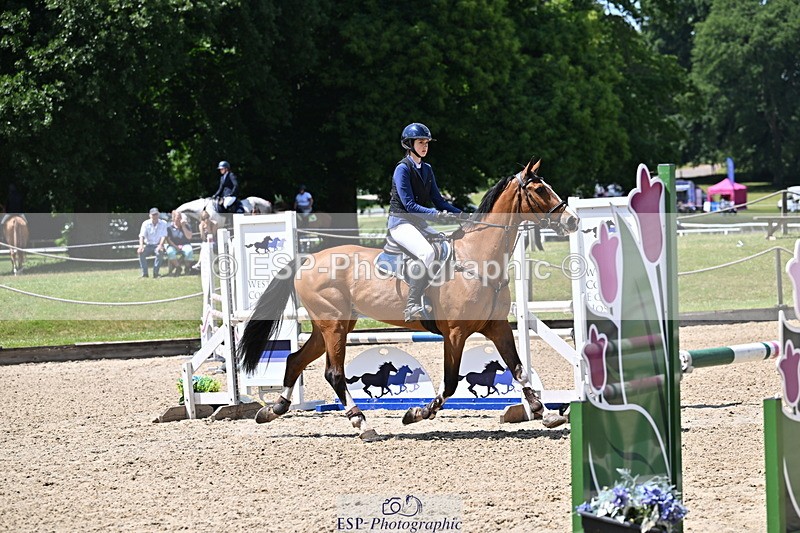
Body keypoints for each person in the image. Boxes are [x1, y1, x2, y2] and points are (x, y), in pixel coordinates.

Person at [388, 122, 461, 322]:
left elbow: (439, 200)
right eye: (421, 142)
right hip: (400, 222)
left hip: (418, 224)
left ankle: (435, 295)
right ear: (409, 144)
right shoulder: (402, 169)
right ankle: (412, 304)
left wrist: (463, 214)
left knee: (446, 247)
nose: (425, 146)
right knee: (427, 253)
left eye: (427, 143)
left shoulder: (427, 169)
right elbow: (410, 205)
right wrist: (436, 215)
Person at [137, 208, 168, 278]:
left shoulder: (163, 223)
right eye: (153, 215)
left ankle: (156, 273)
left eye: (156, 214)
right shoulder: (145, 223)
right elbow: (142, 236)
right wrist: (141, 246)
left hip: (158, 245)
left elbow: (163, 236)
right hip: (148, 245)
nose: (155, 216)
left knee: (160, 252)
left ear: (158, 214)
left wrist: (160, 245)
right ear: (150, 215)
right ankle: (145, 274)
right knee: (141, 252)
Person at [165, 210, 194, 276]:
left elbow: (189, 237)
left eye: (180, 217)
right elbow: (168, 240)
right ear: (173, 218)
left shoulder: (186, 225)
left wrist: (183, 226)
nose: (179, 219)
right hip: (173, 245)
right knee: (170, 252)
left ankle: (187, 267)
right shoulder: (169, 227)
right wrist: (176, 247)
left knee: (189, 251)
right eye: (178, 218)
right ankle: (178, 267)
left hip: (185, 244)